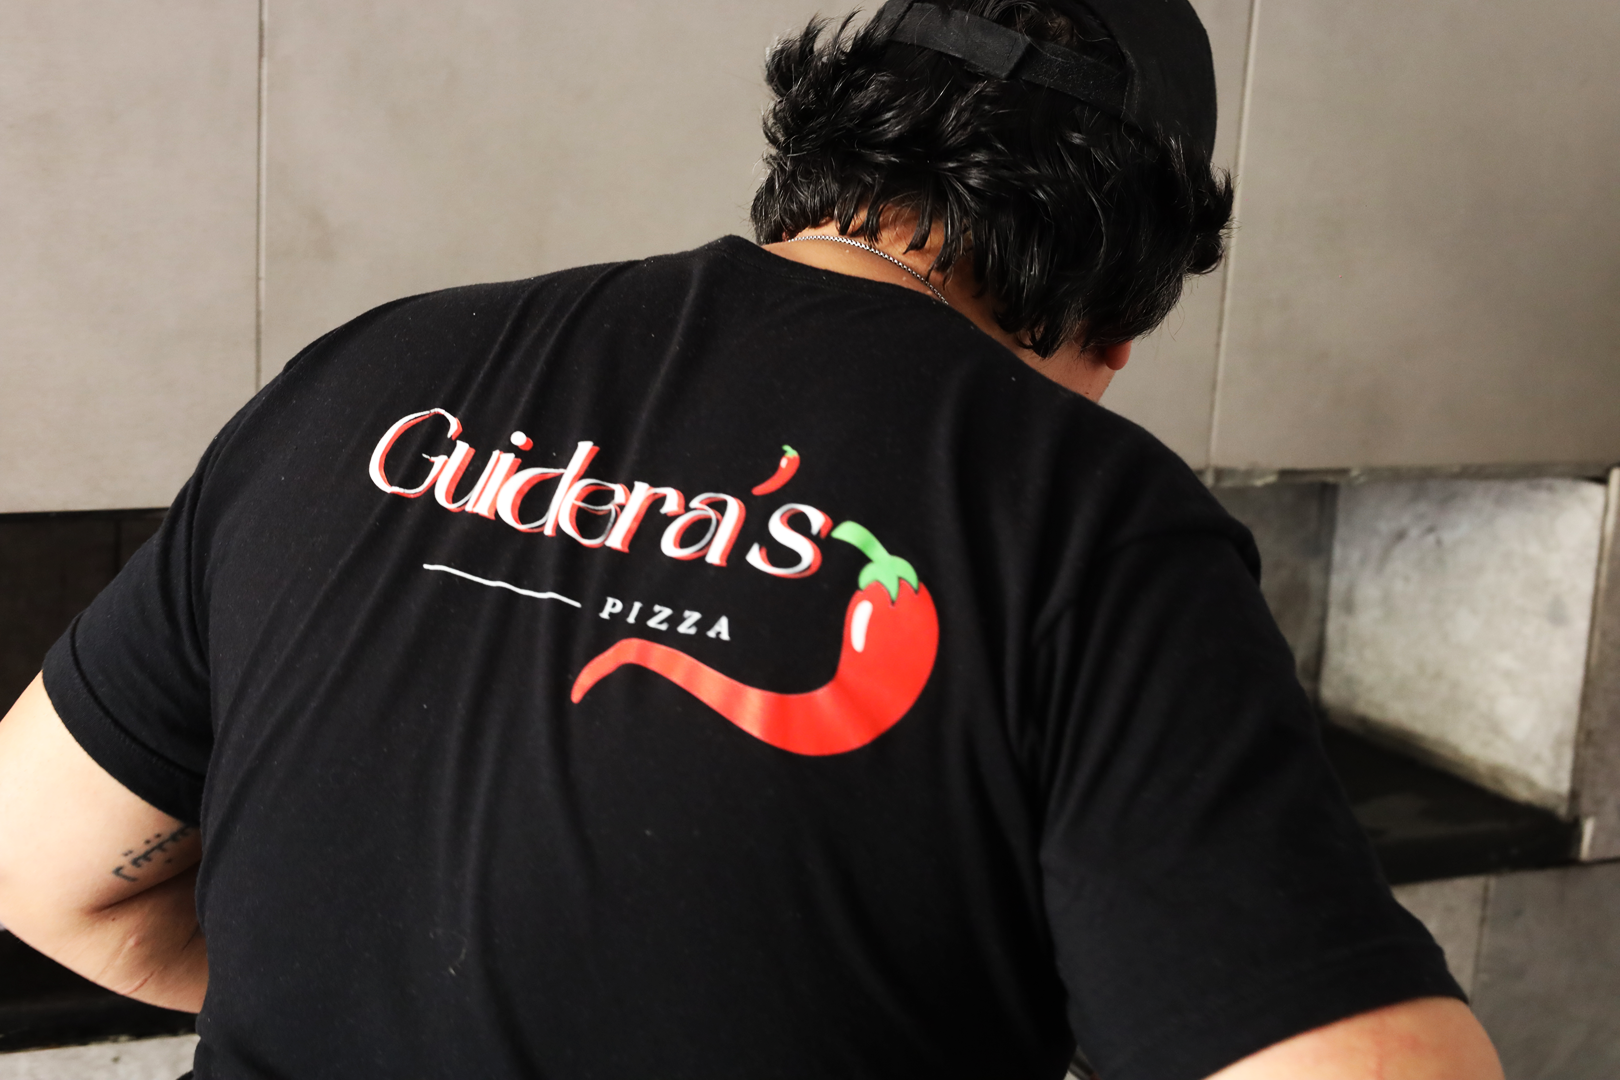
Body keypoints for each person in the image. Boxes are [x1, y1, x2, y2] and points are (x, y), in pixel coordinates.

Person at [0, 1, 1503, 1077]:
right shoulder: (1093, 515)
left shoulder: (367, 373)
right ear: (1122, 323)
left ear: (820, 159)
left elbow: (43, 869)